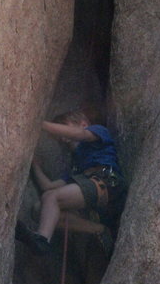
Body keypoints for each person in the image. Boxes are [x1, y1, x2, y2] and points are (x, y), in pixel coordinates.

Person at [16, 110, 126, 257]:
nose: (61, 137)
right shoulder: (77, 167)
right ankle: (99, 229)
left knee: (52, 197)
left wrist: (39, 123)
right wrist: (35, 165)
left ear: (84, 124)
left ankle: (42, 240)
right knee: (39, 209)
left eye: (64, 127)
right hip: (93, 190)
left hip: (106, 182)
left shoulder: (98, 131)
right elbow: (48, 186)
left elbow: (79, 134)